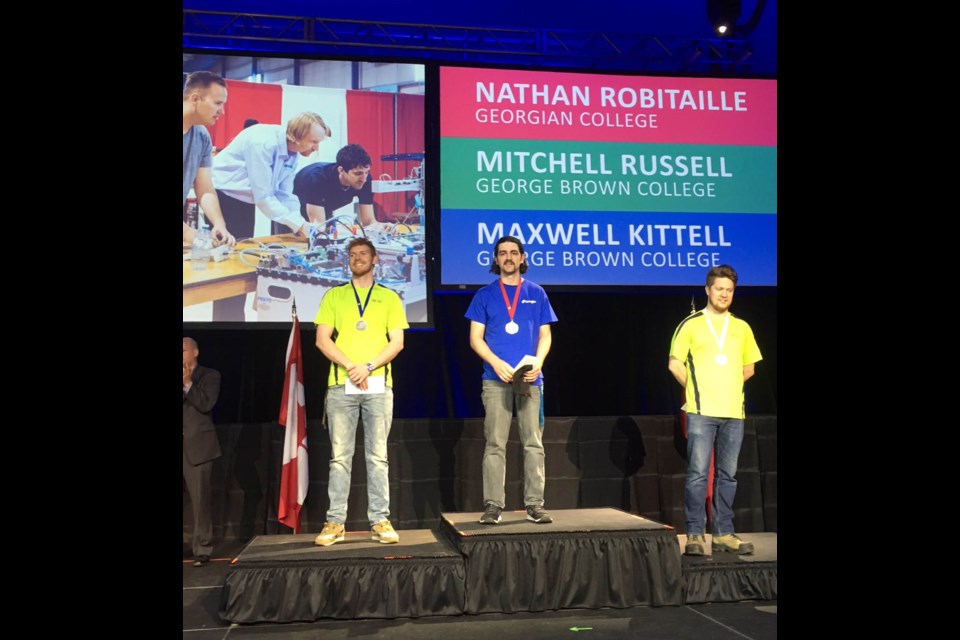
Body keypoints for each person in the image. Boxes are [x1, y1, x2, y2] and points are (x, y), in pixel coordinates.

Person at [313, 237, 409, 546]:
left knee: (378, 457)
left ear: (375, 259)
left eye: (363, 254)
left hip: (378, 385)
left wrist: (367, 366)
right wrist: (351, 366)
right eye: (353, 255)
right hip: (341, 385)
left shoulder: (390, 298)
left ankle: (380, 520)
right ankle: (334, 523)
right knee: (340, 457)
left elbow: (397, 342)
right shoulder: (335, 296)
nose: (357, 259)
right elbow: (322, 339)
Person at [668, 264, 762, 556]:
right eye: (719, 289)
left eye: (729, 290)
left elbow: (749, 368)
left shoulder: (742, 327)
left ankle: (723, 534)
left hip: (734, 412)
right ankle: (695, 533)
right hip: (701, 410)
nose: (724, 294)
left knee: (728, 475)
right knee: (698, 473)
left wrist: (727, 386)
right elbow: (674, 363)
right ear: (708, 290)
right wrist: (698, 388)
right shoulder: (691, 324)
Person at [465, 236, 558, 525]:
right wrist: (496, 362)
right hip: (495, 379)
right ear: (495, 260)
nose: (508, 257)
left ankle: (535, 504)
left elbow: (545, 336)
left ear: (521, 258)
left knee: (533, 443)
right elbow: (475, 339)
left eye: (513, 253)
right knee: (495, 443)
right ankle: (493, 505)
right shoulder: (484, 295)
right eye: (502, 253)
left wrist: (539, 362)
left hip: (530, 379)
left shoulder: (537, 293)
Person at [211, 112, 332, 241]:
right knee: (225, 246)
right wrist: (299, 225)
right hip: (221, 193)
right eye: (313, 142)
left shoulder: (293, 153)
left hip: (243, 198)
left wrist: (300, 223)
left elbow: (284, 194)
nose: (316, 148)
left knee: (241, 243)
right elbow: (263, 197)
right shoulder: (262, 143)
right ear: (298, 136)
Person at [182, 71, 235, 248]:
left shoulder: (202, 135)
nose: (223, 111)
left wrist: (219, 224)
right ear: (196, 99)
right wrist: (188, 233)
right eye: (218, 103)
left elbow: (204, 187)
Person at [182, 337, 223, 567]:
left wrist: (187, 382)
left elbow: (206, 404)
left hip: (199, 447)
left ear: (195, 352)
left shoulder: (209, 376)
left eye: (183, 349)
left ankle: (202, 549)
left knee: (200, 501)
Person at [293, 143, 376, 228]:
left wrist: (380, 227)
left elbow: (368, 222)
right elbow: (318, 228)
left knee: (329, 233)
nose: (363, 179)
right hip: (294, 207)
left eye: (366, 172)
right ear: (341, 170)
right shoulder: (317, 179)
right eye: (357, 173)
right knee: (315, 233)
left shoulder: (365, 179)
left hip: (325, 206)